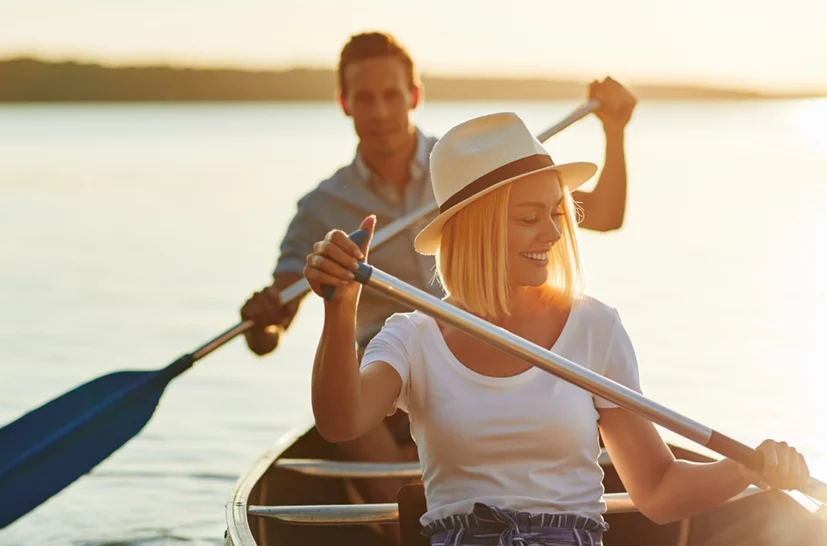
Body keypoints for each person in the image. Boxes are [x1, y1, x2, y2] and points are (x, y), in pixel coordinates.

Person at [302, 112, 810, 546]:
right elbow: (340, 422)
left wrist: (747, 469)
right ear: (477, 228)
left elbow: (656, 490)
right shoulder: (412, 337)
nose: (552, 232)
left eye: (555, 213)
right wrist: (340, 306)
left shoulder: (594, 327)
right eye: (529, 217)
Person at [240, 30, 636, 540]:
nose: (380, 111)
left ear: (414, 96)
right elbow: (273, 327)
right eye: (365, 97)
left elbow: (602, 213)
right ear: (345, 103)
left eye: (391, 95)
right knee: (366, 439)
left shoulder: (469, 173)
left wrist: (615, 131)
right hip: (384, 388)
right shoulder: (319, 209)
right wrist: (264, 319)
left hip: (487, 359)